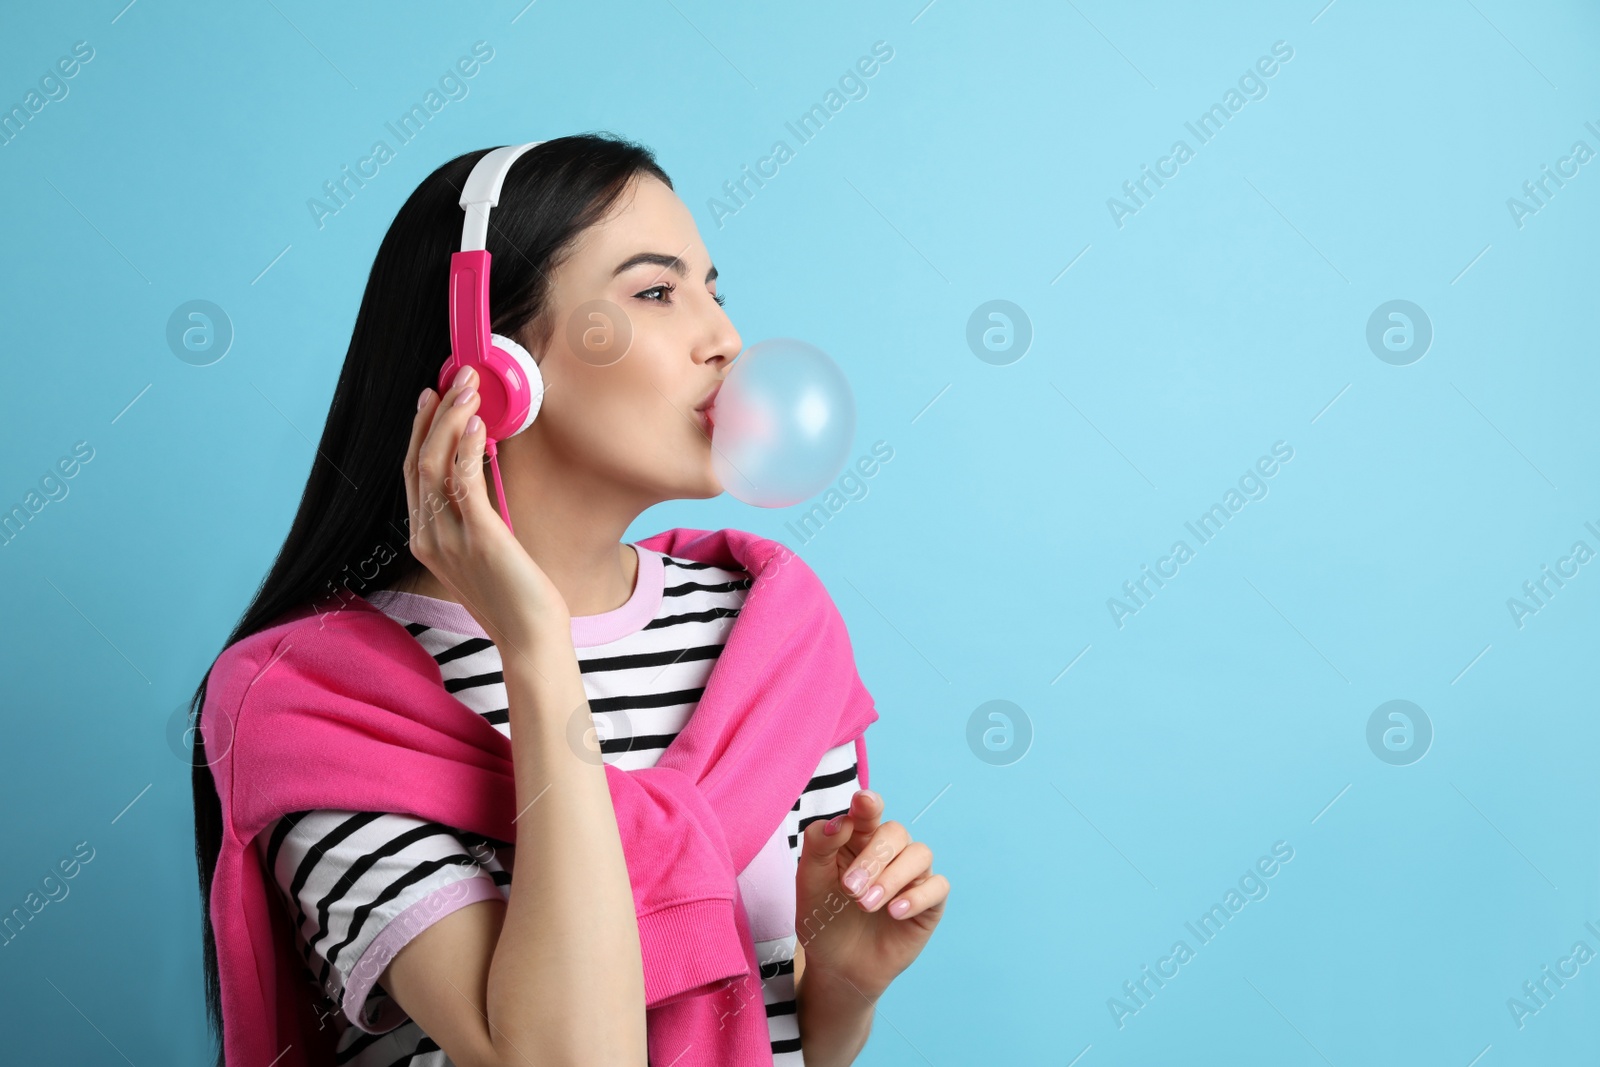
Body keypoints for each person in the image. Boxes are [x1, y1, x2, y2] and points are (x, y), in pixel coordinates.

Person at [188, 133, 949, 1066]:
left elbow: (778, 1046)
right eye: (657, 292)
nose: (726, 338)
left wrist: (842, 990)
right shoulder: (320, 705)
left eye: (714, 288)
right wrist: (537, 646)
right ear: (499, 365)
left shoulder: (772, 638)